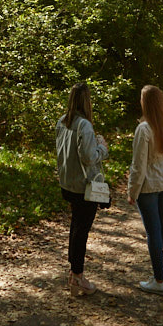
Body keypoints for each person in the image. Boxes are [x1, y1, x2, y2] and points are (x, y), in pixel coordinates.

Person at [56, 82, 109, 297]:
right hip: (83, 187)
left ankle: (74, 272)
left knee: (75, 227)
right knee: (81, 231)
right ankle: (77, 276)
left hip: (67, 183)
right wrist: (102, 148)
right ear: (86, 101)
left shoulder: (62, 121)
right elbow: (89, 157)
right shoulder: (84, 125)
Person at [127, 85, 163, 295]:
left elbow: (138, 165)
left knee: (154, 230)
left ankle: (159, 280)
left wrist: (132, 191)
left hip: (149, 185)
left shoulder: (144, 129)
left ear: (145, 103)